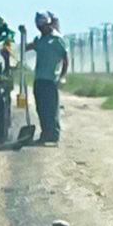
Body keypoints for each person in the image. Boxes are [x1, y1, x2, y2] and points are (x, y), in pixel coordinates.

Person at [25, 10, 69, 145]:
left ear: (48, 24)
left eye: (42, 25)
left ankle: (54, 135)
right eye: (38, 25)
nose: (40, 28)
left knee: (51, 108)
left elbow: (65, 59)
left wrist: (62, 76)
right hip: (39, 79)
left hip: (51, 80)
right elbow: (27, 48)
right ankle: (45, 134)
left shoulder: (57, 39)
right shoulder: (40, 40)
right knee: (41, 108)